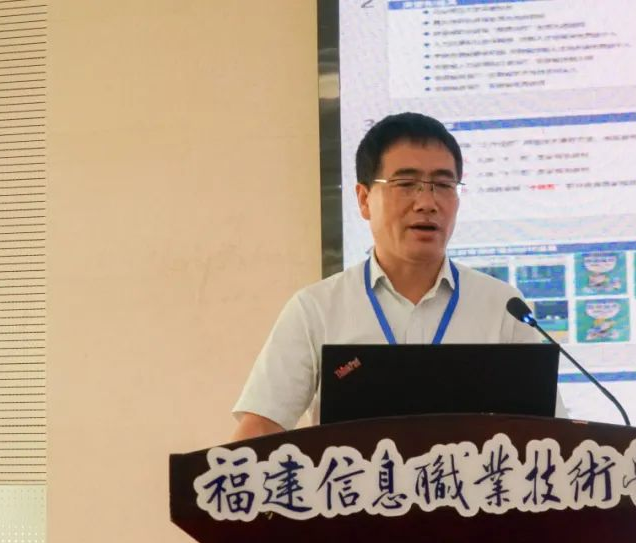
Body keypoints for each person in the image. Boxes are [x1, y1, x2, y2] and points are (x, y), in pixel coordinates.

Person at [231, 112, 558, 441]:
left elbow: (550, 435)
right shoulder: (316, 309)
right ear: (364, 200)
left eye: (443, 185)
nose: (427, 203)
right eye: (406, 184)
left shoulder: (503, 307)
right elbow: (260, 428)